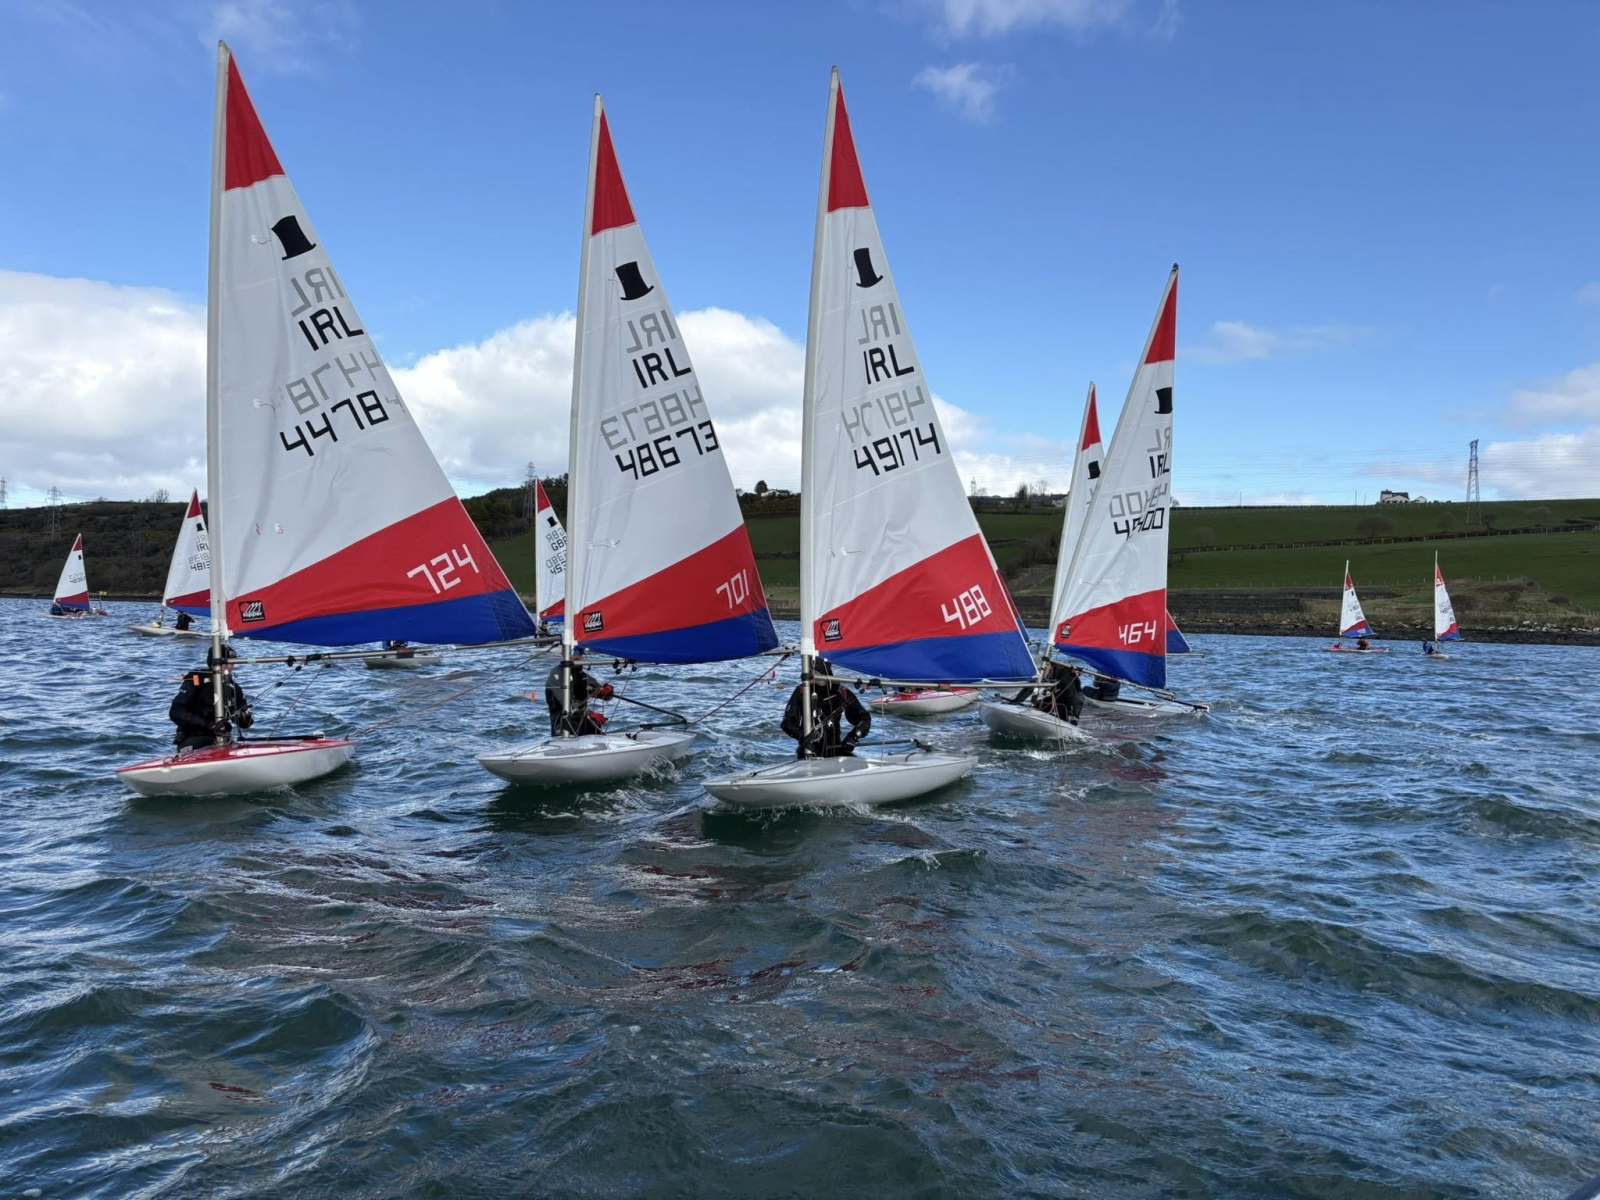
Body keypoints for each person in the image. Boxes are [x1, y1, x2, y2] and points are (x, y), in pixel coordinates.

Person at [781, 658, 871, 759]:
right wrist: (803, 738)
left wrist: (853, 737)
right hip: (809, 752)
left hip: (835, 751)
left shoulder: (840, 691)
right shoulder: (802, 691)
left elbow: (865, 718)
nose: (810, 676)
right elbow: (787, 723)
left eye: (814, 672)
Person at [168, 660, 253, 751]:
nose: (229, 667)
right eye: (224, 663)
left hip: (223, 740)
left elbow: (244, 724)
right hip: (193, 739)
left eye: (232, 663)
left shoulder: (234, 688)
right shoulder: (197, 679)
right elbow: (175, 712)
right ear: (212, 664)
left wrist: (245, 717)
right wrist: (209, 725)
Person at [544, 651, 614, 736]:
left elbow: (603, 695)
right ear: (564, 653)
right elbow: (566, 704)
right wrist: (590, 714)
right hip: (562, 724)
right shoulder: (556, 675)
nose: (577, 656)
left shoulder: (582, 676)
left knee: (601, 737)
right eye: (573, 652)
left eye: (580, 653)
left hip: (581, 720)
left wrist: (607, 692)